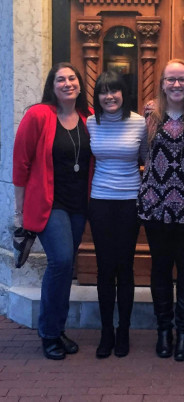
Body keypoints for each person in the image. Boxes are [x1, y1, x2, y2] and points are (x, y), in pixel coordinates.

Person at [13, 62, 92, 360]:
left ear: (80, 84)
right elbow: (20, 164)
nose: (67, 83)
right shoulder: (38, 115)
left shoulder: (89, 119)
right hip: (48, 203)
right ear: (52, 85)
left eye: (72, 78)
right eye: (61, 79)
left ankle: (57, 330)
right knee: (60, 261)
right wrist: (20, 212)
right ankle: (48, 332)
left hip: (77, 204)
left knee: (66, 265)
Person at [138, 59, 184, 361]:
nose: (176, 85)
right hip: (156, 206)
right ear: (162, 83)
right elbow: (141, 154)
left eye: (182, 79)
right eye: (170, 80)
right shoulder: (150, 115)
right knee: (161, 267)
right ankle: (163, 330)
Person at [87, 71, 148, 359]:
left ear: (124, 93)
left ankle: (123, 330)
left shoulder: (139, 123)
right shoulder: (90, 122)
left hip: (129, 202)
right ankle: (106, 332)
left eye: (114, 91)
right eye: (103, 91)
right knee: (104, 268)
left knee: (124, 267)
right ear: (97, 96)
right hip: (100, 201)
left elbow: (147, 160)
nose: (109, 96)